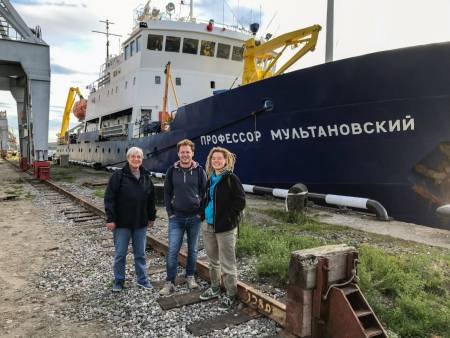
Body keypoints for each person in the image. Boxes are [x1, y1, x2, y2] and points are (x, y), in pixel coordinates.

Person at [199, 146, 246, 311]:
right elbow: (206, 199)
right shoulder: (210, 178)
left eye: (220, 158)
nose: (217, 161)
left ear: (226, 161)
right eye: (214, 158)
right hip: (208, 225)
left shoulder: (231, 179)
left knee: (227, 263)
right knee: (212, 261)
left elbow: (240, 201)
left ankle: (231, 294)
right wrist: (202, 215)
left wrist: (228, 218)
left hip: (225, 227)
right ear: (211, 161)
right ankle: (215, 287)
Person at [104, 147, 156, 292]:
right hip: (121, 223)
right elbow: (109, 198)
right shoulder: (118, 176)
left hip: (140, 222)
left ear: (142, 159)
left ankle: (142, 280)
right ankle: (119, 281)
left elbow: (151, 199)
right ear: (128, 159)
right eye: (133, 156)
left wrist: (152, 217)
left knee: (140, 254)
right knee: (120, 254)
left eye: (139, 157)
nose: (136, 159)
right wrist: (110, 218)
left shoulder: (146, 176)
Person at [159, 139, 207, 295]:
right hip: (177, 218)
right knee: (173, 250)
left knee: (193, 250)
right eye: (182, 152)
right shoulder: (172, 171)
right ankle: (170, 282)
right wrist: (170, 213)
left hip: (194, 218)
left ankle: (190, 276)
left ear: (192, 153)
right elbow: (166, 193)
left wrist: (201, 214)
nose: (185, 154)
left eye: (188, 152)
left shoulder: (200, 171)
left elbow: (205, 194)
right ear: (178, 153)